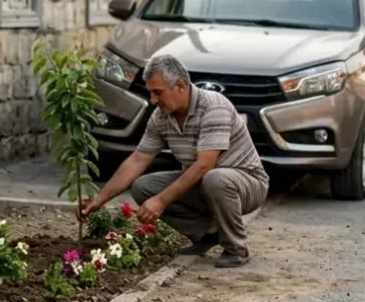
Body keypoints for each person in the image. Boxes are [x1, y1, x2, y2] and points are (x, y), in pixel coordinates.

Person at [81, 54, 269, 267]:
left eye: (157, 92)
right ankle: (208, 234)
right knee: (144, 187)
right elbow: (138, 160)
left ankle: (236, 248)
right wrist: (99, 199)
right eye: (150, 92)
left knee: (214, 178)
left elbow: (204, 165)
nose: (153, 100)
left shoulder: (213, 107)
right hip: (207, 182)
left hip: (247, 184)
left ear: (180, 85)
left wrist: (160, 201)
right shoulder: (161, 116)